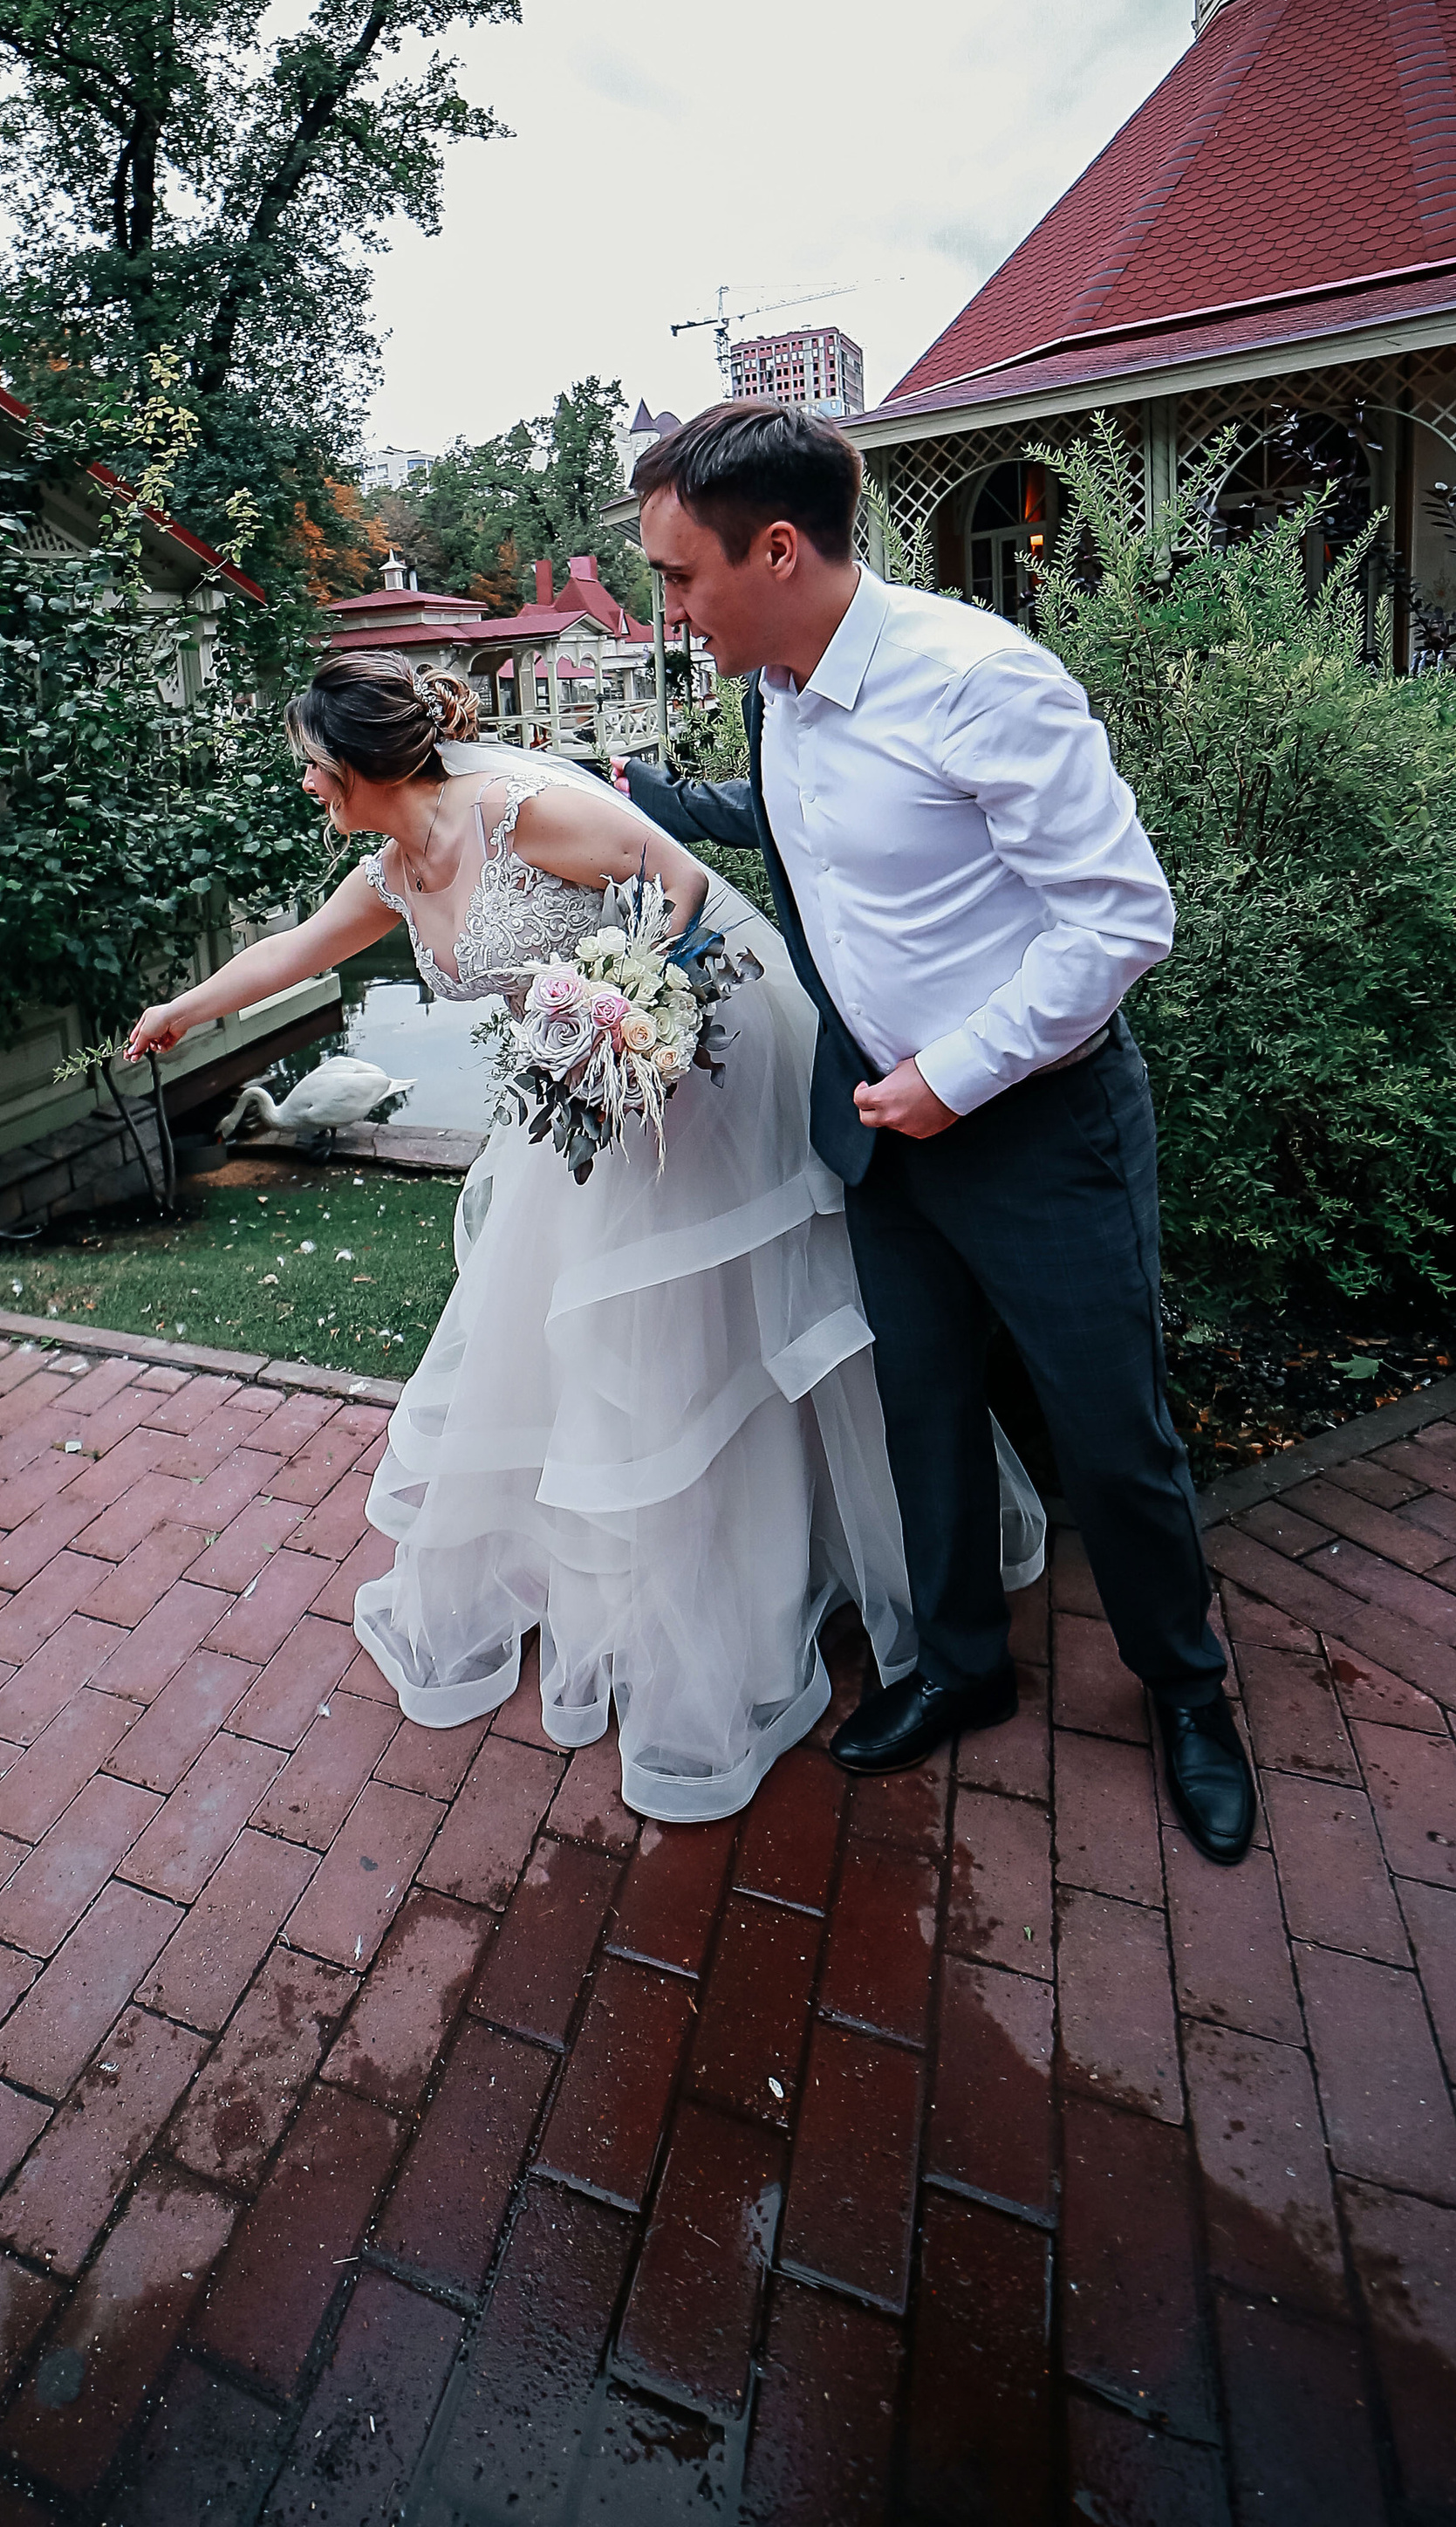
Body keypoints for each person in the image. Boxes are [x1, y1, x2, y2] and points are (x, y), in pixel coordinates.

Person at [126, 649, 1042, 1823]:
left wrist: (638, 1000)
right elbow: (292, 950)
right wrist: (184, 1010)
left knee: (705, 1334)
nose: (305, 785)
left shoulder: (523, 814)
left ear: (358, 763)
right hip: (581, 1109)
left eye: (311, 766)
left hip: (683, 1089)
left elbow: (683, 884)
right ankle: (632, 1584)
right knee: (594, 1340)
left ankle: (762, 1599)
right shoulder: (395, 871)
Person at [627, 397, 1254, 1865]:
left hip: (1040, 1132)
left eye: (679, 578)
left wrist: (954, 1075)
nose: (667, 610)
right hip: (878, 1131)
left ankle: (1188, 1691)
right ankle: (963, 1670)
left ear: (777, 550)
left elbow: (1120, 920)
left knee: (1115, 1437)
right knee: (922, 1415)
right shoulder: (776, 683)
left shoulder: (983, 682)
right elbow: (822, 858)